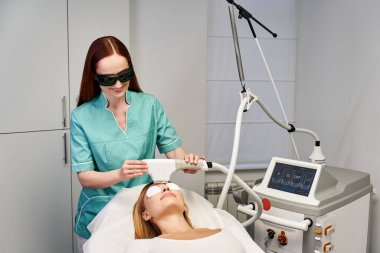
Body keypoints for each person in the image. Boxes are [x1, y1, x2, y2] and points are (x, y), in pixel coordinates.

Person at [70, 36, 202, 252]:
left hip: (144, 213)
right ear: (94, 77)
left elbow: (174, 151)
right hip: (99, 214)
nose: (118, 84)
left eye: (124, 76)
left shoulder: (149, 105)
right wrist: (119, 175)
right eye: (108, 79)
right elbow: (85, 177)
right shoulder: (81, 116)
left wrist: (187, 162)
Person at [124, 182, 249, 253]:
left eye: (171, 186)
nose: (166, 188)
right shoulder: (141, 248)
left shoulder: (225, 233)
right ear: (146, 215)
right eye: (153, 191)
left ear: (184, 206)